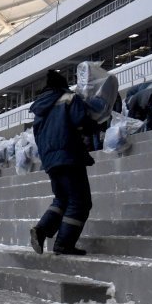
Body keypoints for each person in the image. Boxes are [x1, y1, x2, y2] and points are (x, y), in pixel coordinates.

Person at [29, 69, 101, 256]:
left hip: (51, 160)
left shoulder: (40, 108)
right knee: (80, 202)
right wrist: (95, 123)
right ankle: (63, 244)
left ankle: (41, 230)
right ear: (62, 85)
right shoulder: (69, 98)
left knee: (62, 198)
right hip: (69, 155)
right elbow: (81, 121)